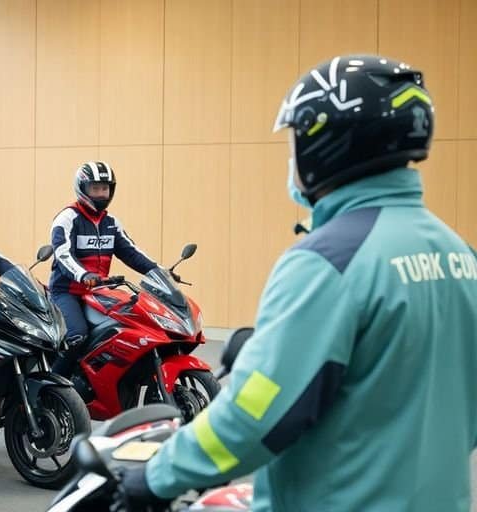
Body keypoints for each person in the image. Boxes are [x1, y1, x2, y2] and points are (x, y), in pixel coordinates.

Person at [120, 55, 477, 511]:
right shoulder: (459, 253)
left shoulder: (329, 262)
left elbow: (251, 421)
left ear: (326, 143)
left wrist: (151, 477)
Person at [47, 161, 165, 376]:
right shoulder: (67, 218)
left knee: (124, 330)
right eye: (95, 188)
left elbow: (131, 252)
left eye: (105, 189)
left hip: (99, 291)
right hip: (68, 292)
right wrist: (84, 275)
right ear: (82, 188)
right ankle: (54, 385)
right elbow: (63, 254)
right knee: (77, 336)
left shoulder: (111, 222)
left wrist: (159, 271)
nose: (101, 194)